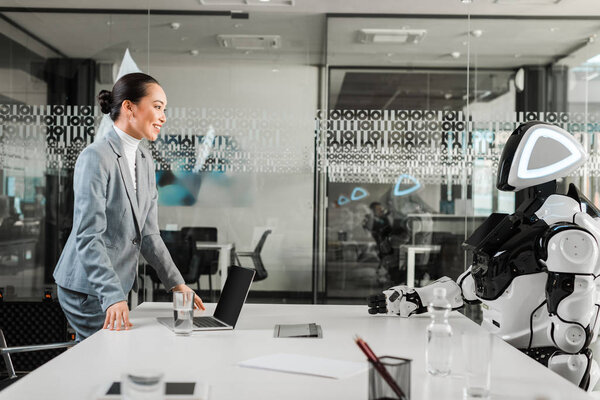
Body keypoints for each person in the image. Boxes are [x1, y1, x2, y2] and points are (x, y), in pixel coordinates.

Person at [53, 73, 204, 341]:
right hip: (88, 288)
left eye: (164, 109)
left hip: (116, 287)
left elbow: (149, 234)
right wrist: (111, 295)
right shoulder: (96, 157)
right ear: (129, 107)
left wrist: (177, 283)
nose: (163, 117)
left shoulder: (145, 160)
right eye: (157, 106)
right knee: (107, 357)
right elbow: (88, 236)